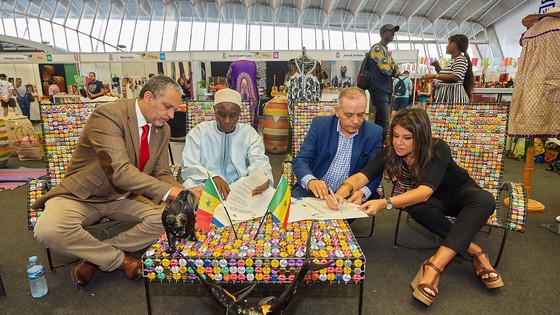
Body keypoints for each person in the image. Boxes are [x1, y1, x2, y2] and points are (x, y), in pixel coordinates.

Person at [32, 75, 201, 289]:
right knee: (49, 230)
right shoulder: (109, 115)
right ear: (148, 97)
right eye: (167, 107)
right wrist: (173, 193)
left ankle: (95, 256)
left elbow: (161, 172)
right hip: (83, 195)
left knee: (174, 219)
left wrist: (182, 196)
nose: (171, 115)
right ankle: (119, 260)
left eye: (174, 109)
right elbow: (119, 172)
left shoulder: (161, 129)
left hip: (126, 196)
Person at [327, 108, 502, 306]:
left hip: (462, 195)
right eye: (395, 135)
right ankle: (474, 249)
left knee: (485, 199)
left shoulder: (438, 148)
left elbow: (425, 191)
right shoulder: (393, 152)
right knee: (415, 207)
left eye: (407, 137)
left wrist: (385, 203)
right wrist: (342, 192)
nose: (399, 142)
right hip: (436, 201)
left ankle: (434, 266)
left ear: (420, 136)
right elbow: (363, 175)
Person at [292, 87, 383, 201]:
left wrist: (362, 192)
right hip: (315, 191)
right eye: (349, 115)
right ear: (337, 111)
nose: (355, 121)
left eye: (361, 115)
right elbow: (301, 160)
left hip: (350, 195)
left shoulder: (374, 133)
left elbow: (375, 170)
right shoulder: (320, 125)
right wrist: (310, 180)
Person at [181, 88, 272, 200]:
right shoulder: (199, 132)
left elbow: (258, 161)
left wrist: (259, 178)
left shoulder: (248, 133)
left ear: (239, 114)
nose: (227, 121)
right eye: (221, 115)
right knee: (190, 185)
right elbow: (188, 165)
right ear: (214, 110)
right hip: (207, 185)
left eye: (233, 115)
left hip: (239, 187)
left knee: (262, 188)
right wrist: (212, 177)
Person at [367, 24, 401, 140]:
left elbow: (396, 73)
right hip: (379, 88)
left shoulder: (385, 51)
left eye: (394, 32)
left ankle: (376, 145)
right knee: (384, 121)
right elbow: (387, 70)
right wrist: (392, 66)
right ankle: (378, 147)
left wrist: (392, 67)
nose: (393, 34)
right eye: (390, 31)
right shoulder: (377, 48)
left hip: (385, 89)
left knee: (381, 120)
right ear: (382, 33)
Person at [423, 34, 474, 103]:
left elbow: (455, 77)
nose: (447, 46)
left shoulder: (460, 59)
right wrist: (437, 67)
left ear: (455, 44)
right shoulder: (453, 60)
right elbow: (446, 76)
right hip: (447, 96)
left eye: (449, 43)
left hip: (454, 97)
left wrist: (434, 76)